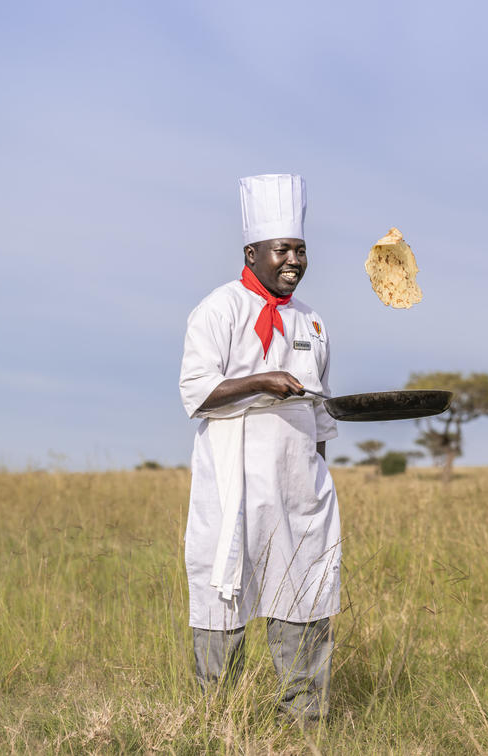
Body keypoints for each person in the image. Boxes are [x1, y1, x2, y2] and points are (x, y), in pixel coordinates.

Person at [178, 173, 340, 723]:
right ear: (252, 253)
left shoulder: (312, 322)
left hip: (299, 490)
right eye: (282, 249)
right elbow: (195, 392)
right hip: (233, 487)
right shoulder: (218, 309)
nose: (294, 260)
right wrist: (260, 381)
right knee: (223, 596)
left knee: (304, 595)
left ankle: (304, 724)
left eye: (300, 249)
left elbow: (322, 417)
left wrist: (317, 482)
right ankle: (219, 721)